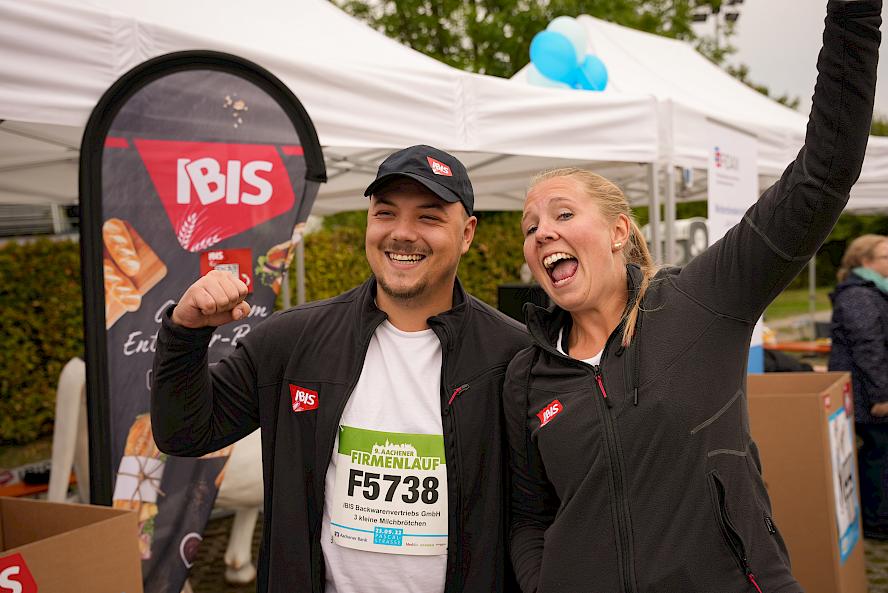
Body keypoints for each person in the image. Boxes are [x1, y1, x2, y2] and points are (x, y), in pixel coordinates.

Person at [503, 2, 881, 592]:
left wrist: (855, 16)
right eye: (530, 227)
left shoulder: (700, 301)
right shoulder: (527, 373)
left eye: (563, 214)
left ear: (619, 232)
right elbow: (529, 517)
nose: (542, 232)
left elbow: (823, 173)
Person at [151, 145, 530, 593]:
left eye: (429, 217)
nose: (403, 233)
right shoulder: (292, 340)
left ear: (466, 233)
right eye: (386, 214)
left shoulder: (515, 355)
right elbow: (184, 432)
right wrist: (186, 330)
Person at [829, 234, 888, 539]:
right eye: (886, 257)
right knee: (878, 455)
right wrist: (881, 395)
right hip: (869, 395)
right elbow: (868, 347)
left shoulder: (871, 291)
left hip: (872, 389)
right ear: (865, 262)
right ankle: (877, 522)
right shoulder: (859, 295)